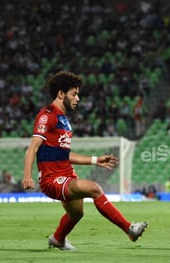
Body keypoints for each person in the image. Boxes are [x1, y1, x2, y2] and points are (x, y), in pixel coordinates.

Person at [21, 71, 147, 251]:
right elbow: (32, 147)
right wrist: (27, 175)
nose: (78, 98)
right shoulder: (47, 115)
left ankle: (58, 238)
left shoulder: (63, 119)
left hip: (66, 173)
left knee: (76, 213)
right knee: (94, 188)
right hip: (52, 179)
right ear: (61, 94)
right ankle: (129, 229)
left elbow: (64, 154)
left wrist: (95, 160)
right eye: (74, 94)